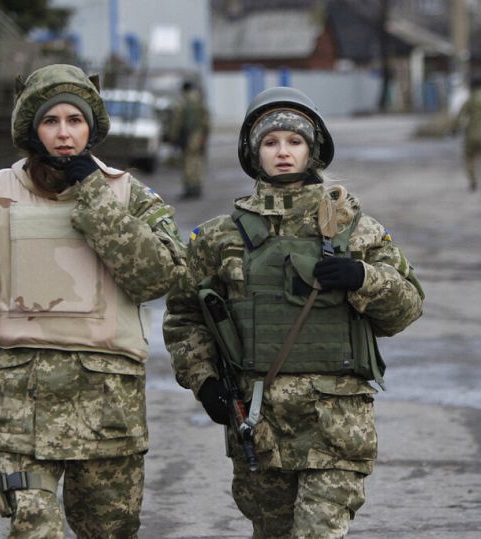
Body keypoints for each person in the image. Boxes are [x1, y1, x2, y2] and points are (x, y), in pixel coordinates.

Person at [0, 63, 186, 538]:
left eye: (74, 121)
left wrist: (93, 195)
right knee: (37, 529)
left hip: (107, 411)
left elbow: (159, 277)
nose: (63, 134)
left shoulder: (129, 196)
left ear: (91, 128)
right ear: (31, 130)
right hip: (19, 407)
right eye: (50, 121)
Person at [163, 87, 425, 538]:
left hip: (336, 424)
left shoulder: (354, 229)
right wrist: (204, 381)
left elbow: (405, 310)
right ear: (253, 152)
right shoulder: (217, 237)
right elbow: (184, 315)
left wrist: (363, 278)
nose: (283, 152)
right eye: (270, 142)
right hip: (258, 426)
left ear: (313, 149)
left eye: (294, 141)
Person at [170, 80, 210, 199]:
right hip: (199, 135)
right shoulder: (200, 101)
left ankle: (190, 189)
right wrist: (205, 135)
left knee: (187, 162)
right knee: (197, 161)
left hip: (187, 136)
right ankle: (197, 187)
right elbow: (206, 120)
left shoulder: (181, 102)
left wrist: (173, 137)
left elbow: (176, 121)